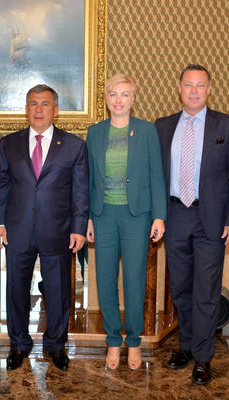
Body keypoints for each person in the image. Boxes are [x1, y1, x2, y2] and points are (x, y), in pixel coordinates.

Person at [155, 64, 229, 385]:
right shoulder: (162, 126)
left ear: (209, 89)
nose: (193, 91)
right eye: (188, 85)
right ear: (179, 88)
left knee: (206, 291)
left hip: (212, 220)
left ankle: (204, 357)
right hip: (175, 216)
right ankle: (187, 346)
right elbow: (154, 175)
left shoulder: (227, 124)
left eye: (200, 85)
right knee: (181, 289)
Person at [0, 84, 89, 371]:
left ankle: (56, 345)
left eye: (45, 104)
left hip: (58, 229)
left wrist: (79, 227)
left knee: (58, 290)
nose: (38, 109)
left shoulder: (74, 146)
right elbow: (1, 186)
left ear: (55, 110)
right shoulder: (9, 144)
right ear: (26, 109)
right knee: (16, 290)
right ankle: (19, 344)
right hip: (18, 228)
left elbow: (80, 192)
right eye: (33, 103)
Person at [85, 74, 166, 370]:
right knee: (105, 280)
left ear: (133, 98)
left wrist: (159, 216)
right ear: (106, 99)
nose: (118, 100)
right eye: (113, 94)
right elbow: (88, 179)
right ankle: (113, 340)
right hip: (103, 215)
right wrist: (88, 218)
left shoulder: (146, 131)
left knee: (134, 280)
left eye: (124, 94)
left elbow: (157, 175)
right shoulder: (95, 132)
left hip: (137, 216)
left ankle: (133, 341)